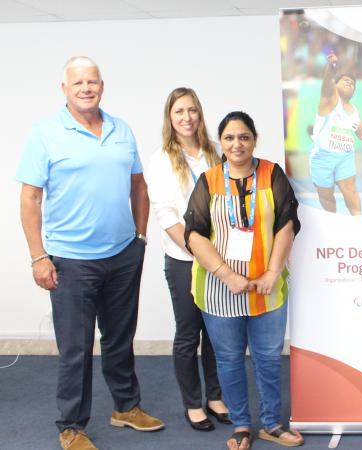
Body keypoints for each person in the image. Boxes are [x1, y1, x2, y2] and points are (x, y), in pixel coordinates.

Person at [16, 56, 163, 450]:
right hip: (69, 260)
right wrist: (38, 256)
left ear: (102, 85)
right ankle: (72, 426)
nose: (86, 88)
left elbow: (140, 186)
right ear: (63, 89)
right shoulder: (45, 133)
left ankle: (126, 408)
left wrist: (140, 238)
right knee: (76, 347)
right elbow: (30, 198)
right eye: (78, 82)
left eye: (93, 81)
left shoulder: (121, 129)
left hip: (121, 255)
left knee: (119, 338)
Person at [184, 111, 304, 450]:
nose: (237, 144)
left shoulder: (271, 173)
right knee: (229, 359)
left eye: (244, 137)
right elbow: (194, 235)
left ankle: (271, 424)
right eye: (230, 138)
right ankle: (240, 425)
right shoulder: (208, 180)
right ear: (220, 142)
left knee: (268, 357)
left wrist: (272, 272)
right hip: (221, 290)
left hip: (266, 289)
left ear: (254, 139)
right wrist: (226, 275)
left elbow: (287, 223)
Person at [144, 87, 229, 431]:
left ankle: (215, 396)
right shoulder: (162, 159)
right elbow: (166, 216)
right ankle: (193, 403)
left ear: (200, 114)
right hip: (184, 260)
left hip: (220, 256)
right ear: (170, 117)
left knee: (216, 332)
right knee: (188, 333)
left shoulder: (214, 153)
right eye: (179, 111)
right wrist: (200, 252)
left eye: (192, 110)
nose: (187, 117)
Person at [310, 52, 362, 215]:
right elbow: (327, 84)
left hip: (345, 156)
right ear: (335, 85)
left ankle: (359, 223)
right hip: (322, 157)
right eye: (345, 81)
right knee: (326, 196)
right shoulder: (328, 100)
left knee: (350, 188)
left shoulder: (354, 111)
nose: (350, 83)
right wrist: (331, 67)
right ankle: (333, 221)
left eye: (352, 83)